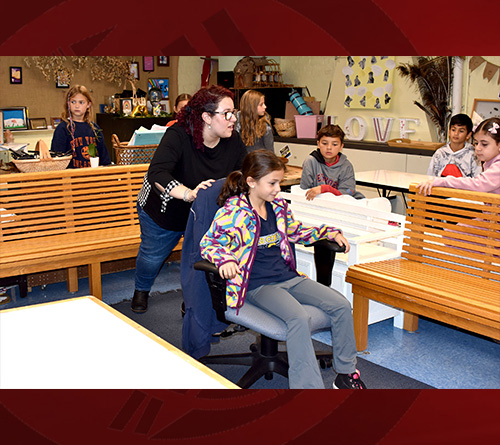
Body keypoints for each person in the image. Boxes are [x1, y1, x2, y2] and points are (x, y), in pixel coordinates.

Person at [200, 149, 367, 389]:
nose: (278, 188)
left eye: (280, 182)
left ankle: (345, 374)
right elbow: (209, 243)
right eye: (272, 183)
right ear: (251, 181)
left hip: (289, 278)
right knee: (298, 317)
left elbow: (296, 231)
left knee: (341, 304)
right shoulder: (233, 213)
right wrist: (225, 259)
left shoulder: (278, 207)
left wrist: (329, 232)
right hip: (259, 285)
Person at [131, 85, 247, 313]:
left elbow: (243, 173)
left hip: (203, 212)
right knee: (152, 256)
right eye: (227, 113)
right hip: (164, 209)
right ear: (206, 117)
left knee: (200, 256)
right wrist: (188, 193)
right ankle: (141, 290)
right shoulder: (178, 135)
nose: (233, 118)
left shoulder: (232, 140)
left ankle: (192, 300)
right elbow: (158, 174)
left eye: (234, 112)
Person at [418, 117, 500, 196]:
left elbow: (478, 184)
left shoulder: (498, 166)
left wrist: (444, 181)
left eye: (484, 144)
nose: (478, 148)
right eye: (476, 143)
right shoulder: (440, 152)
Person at [51, 85, 111, 168]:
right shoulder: (62, 129)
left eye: (81, 102)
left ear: (88, 105)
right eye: (73, 102)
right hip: (71, 178)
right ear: (68, 104)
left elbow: (104, 159)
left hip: (93, 176)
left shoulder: (95, 128)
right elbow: (57, 161)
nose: (77, 106)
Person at [300, 124, 364, 200]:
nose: (329, 147)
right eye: (324, 143)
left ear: (341, 147)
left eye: (334, 144)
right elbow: (304, 191)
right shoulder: (310, 162)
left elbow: (348, 192)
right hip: (318, 203)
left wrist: (325, 189)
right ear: (318, 144)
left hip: (341, 204)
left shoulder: (346, 166)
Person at [427, 113, 481, 178]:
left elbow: (477, 180)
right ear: (449, 132)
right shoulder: (440, 153)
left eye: (461, 131)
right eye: (453, 130)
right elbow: (430, 177)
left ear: (468, 135)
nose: (456, 133)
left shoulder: (474, 155)